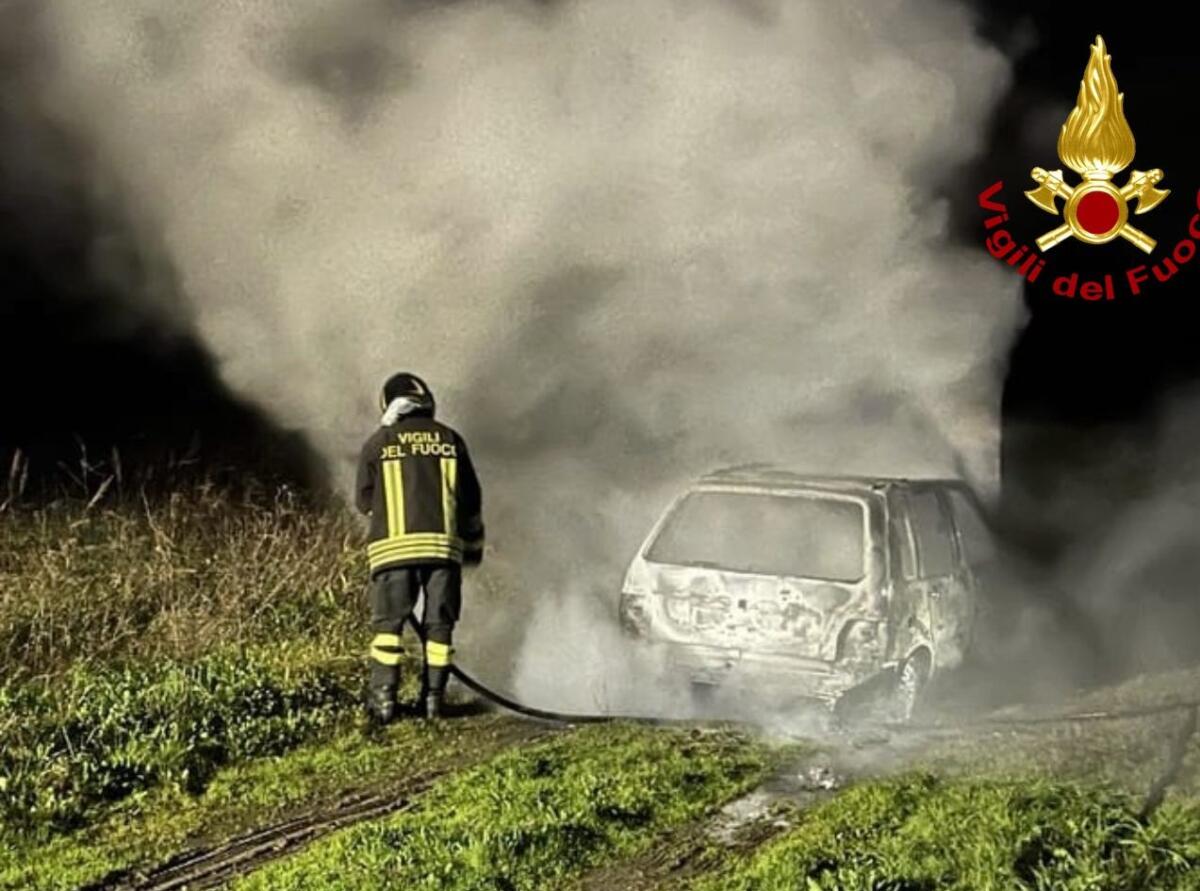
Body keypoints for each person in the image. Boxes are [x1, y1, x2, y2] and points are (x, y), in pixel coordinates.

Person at [355, 372, 484, 721]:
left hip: (392, 554)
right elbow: (471, 501)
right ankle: (433, 702)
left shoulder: (377, 444)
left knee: (388, 629)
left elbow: (364, 502)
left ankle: (383, 704)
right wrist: (473, 548)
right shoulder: (451, 440)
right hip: (443, 551)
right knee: (439, 628)